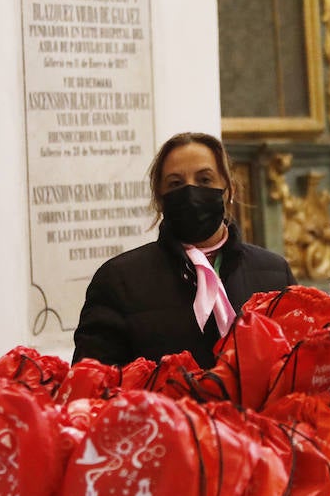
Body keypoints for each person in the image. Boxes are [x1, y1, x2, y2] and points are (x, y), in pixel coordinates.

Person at [72, 132, 295, 369]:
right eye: (176, 183)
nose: (191, 192)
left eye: (205, 180)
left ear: (228, 190)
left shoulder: (274, 273)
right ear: (160, 198)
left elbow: (297, 365)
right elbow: (94, 380)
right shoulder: (119, 280)